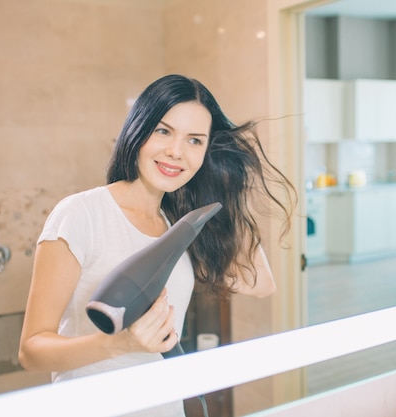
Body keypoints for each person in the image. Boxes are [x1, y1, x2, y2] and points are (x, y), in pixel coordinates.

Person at [18, 74, 295, 416]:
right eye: (164, 131)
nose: (176, 152)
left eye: (195, 141)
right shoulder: (81, 214)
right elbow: (31, 350)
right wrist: (119, 344)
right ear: (138, 130)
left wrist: (226, 186)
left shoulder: (178, 225)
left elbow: (260, 284)